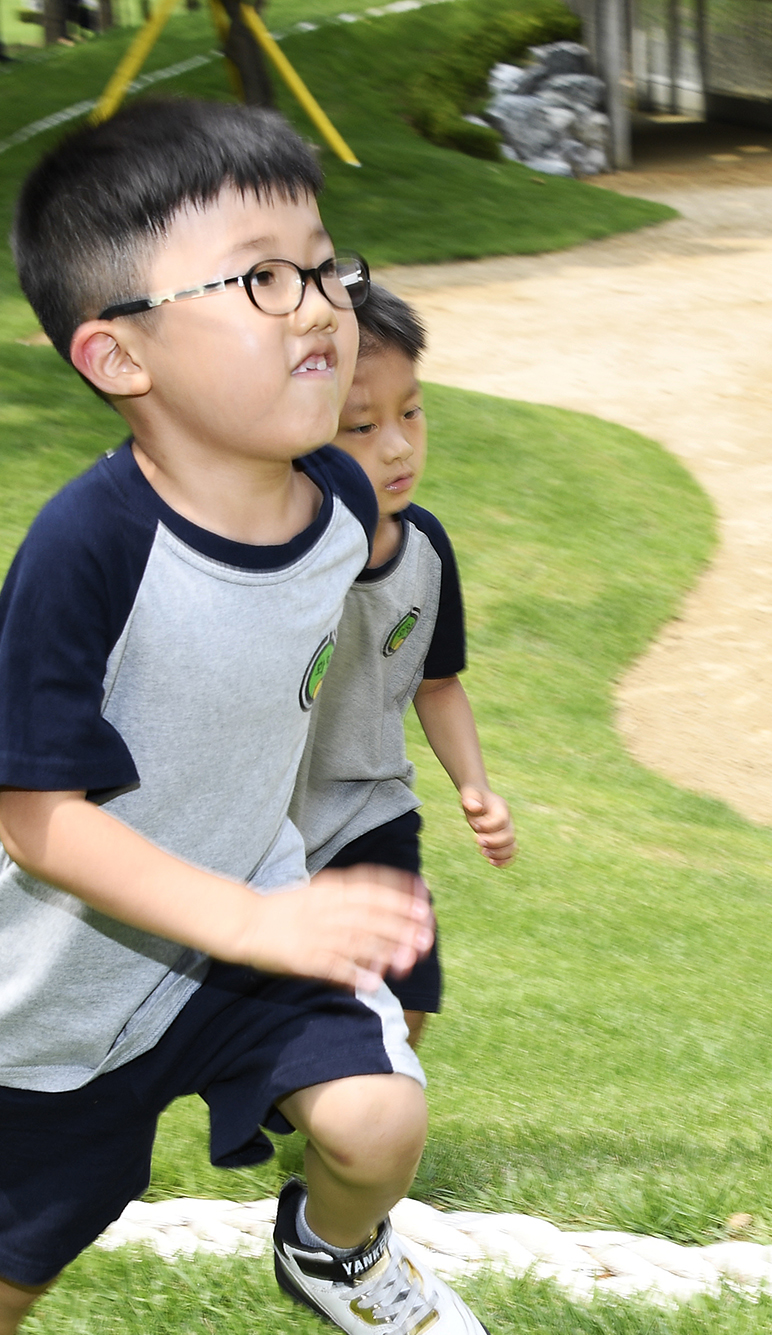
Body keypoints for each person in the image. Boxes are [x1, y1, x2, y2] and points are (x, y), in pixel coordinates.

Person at [0, 99, 504, 1335]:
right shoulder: (83, 549)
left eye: (324, 266)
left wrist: (283, 897)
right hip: (66, 985)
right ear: (118, 355)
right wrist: (243, 912)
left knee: (374, 1120)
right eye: (262, 278)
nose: (324, 305)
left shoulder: (345, 504)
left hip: (248, 929)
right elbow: (42, 818)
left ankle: (334, 1258)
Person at [295, 285, 515, 1049]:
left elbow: (437, 681)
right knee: (285, 1007)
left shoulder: (426, 550)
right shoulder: (285, 549)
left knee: (408, 997)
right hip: (270, 823)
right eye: (362, 425)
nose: (397, 445)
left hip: (371, 807)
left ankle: (352, 1117)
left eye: (410, 413)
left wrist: (473, 786)